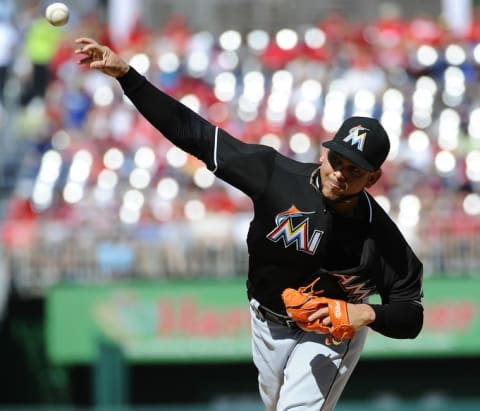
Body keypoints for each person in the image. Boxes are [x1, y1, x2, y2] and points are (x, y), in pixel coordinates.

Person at [74, 37, 424, 411]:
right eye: (336, 160)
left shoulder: (380, 235)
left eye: (354, 170)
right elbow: (193, 133)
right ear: (325, 152)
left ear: (372, 179)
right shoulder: (275, 175)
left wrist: (365, 314)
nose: (339, 174)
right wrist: (129, 77)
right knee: (276, 405)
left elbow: (411, 314)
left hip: (331, 329)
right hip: (267, 318)